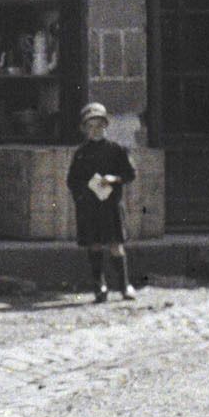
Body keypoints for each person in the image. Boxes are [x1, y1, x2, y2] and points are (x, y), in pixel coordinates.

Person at [67, 101, 139, 302]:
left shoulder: (116, 150)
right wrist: (84, 192)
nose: (95, 130)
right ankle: (99, 285)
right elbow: (72, 181)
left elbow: (130, 173)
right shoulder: (81, 153)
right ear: (84, 129)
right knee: (95, 244)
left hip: (111, 205)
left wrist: (114, 179)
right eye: (90, 126)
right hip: (90, 207)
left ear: (106, 126)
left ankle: (125, 286)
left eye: (99, 125)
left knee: (116, 244)